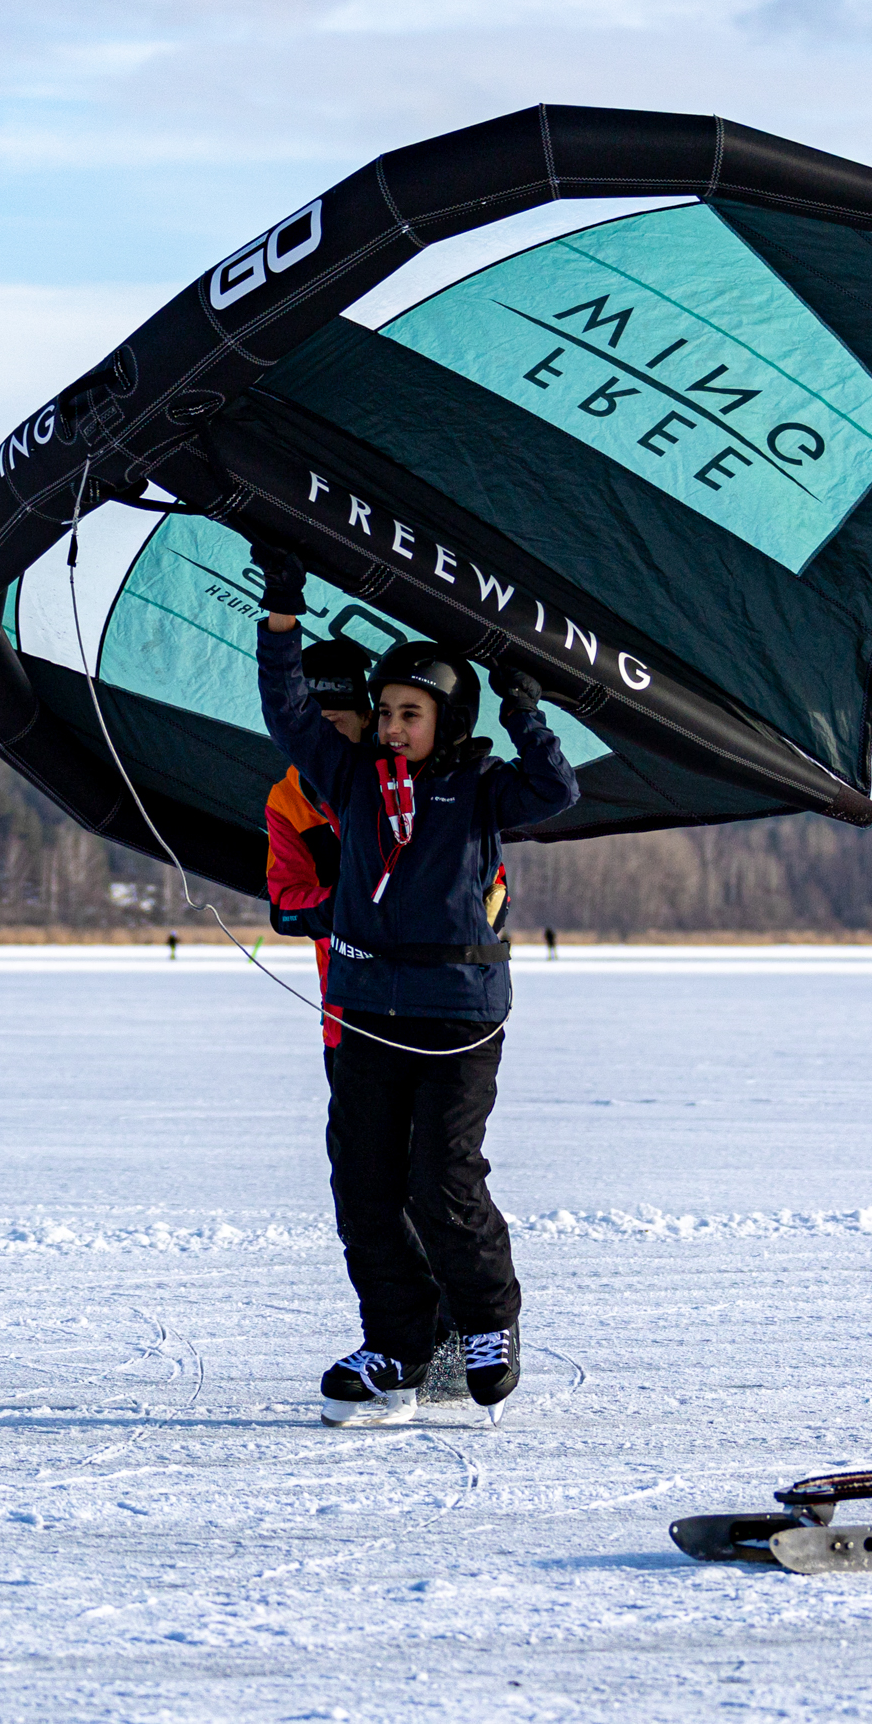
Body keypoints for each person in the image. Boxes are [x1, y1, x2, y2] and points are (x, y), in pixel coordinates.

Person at [252, 543, 577, 1427]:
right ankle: (394, 1348)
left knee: (441, 1180)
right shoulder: (350, 779)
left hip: (456, 1017)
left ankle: (486, 1326)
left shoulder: (478, 787)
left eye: (411, 713)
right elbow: (287, 711)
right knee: (363, 1188)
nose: (393, 727)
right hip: (365, 1013)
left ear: (447, 720)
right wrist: (282, 611)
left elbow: (554, 789)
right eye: (386, 712)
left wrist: (522, 710)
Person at [266, 638, 374, 1072]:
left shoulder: (408, 782)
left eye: (336, 724)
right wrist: (343, 906)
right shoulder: (287, 799)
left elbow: (489, 882)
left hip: (433, 1012)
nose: (325, 740)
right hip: (347, 1019)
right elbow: (284, 909)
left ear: (366, 718)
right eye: (317, 725)